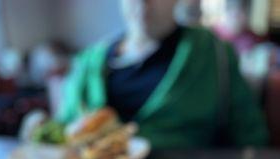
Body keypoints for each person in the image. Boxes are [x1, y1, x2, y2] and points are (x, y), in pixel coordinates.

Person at [57, 0, 268, 148]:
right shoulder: (89, 62)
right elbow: (62, 130)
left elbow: (250, 136)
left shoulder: (213, 53)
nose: (142, 1)